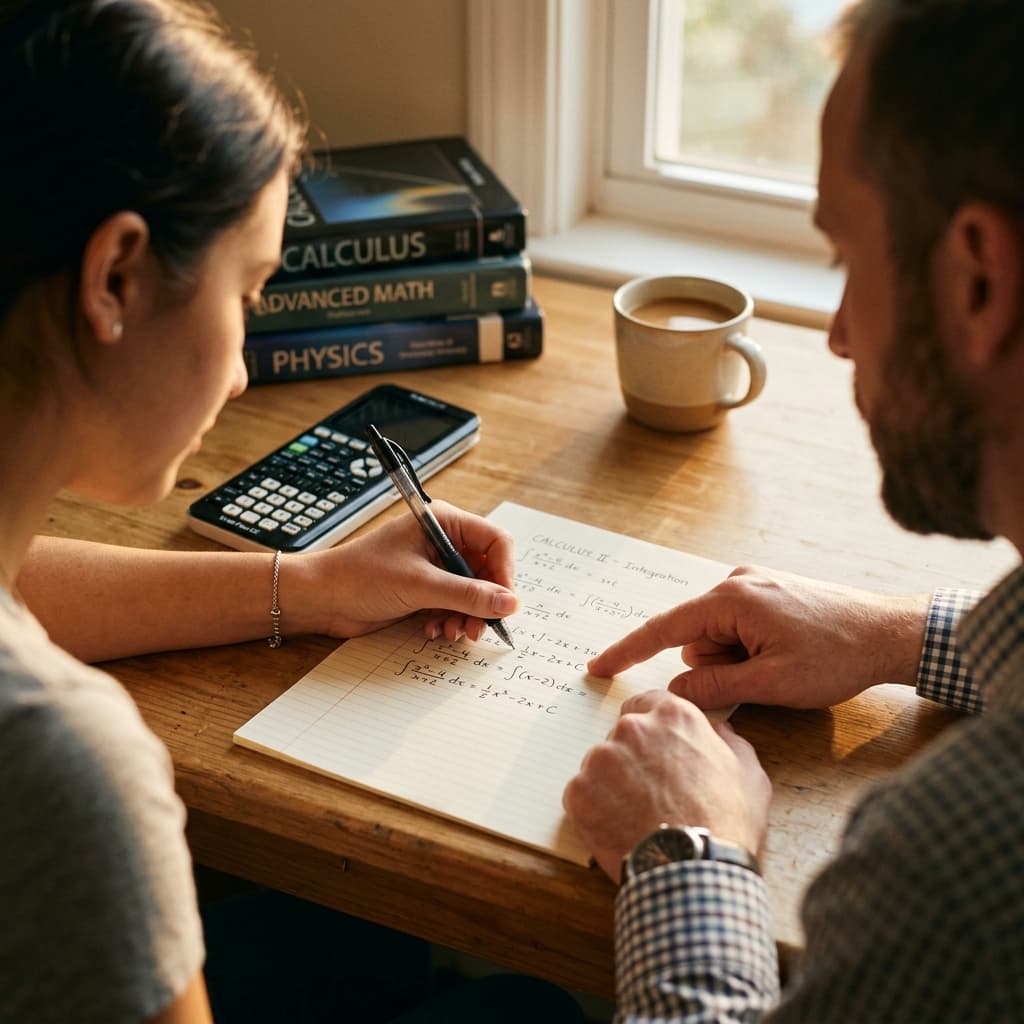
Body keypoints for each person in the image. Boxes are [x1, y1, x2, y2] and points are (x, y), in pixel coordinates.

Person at [0, 3, 586, 1022]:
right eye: (249, 291)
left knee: (366, 943)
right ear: (117, 276)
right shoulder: (63, 766)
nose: (237, 374)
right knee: (527, 1010)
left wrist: (308, 585)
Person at [563, 1, 1024, 1020]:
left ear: (979, 280)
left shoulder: (952, 876)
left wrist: (688, 850)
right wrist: (901, 635)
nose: (841, 337)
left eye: (844, 261)